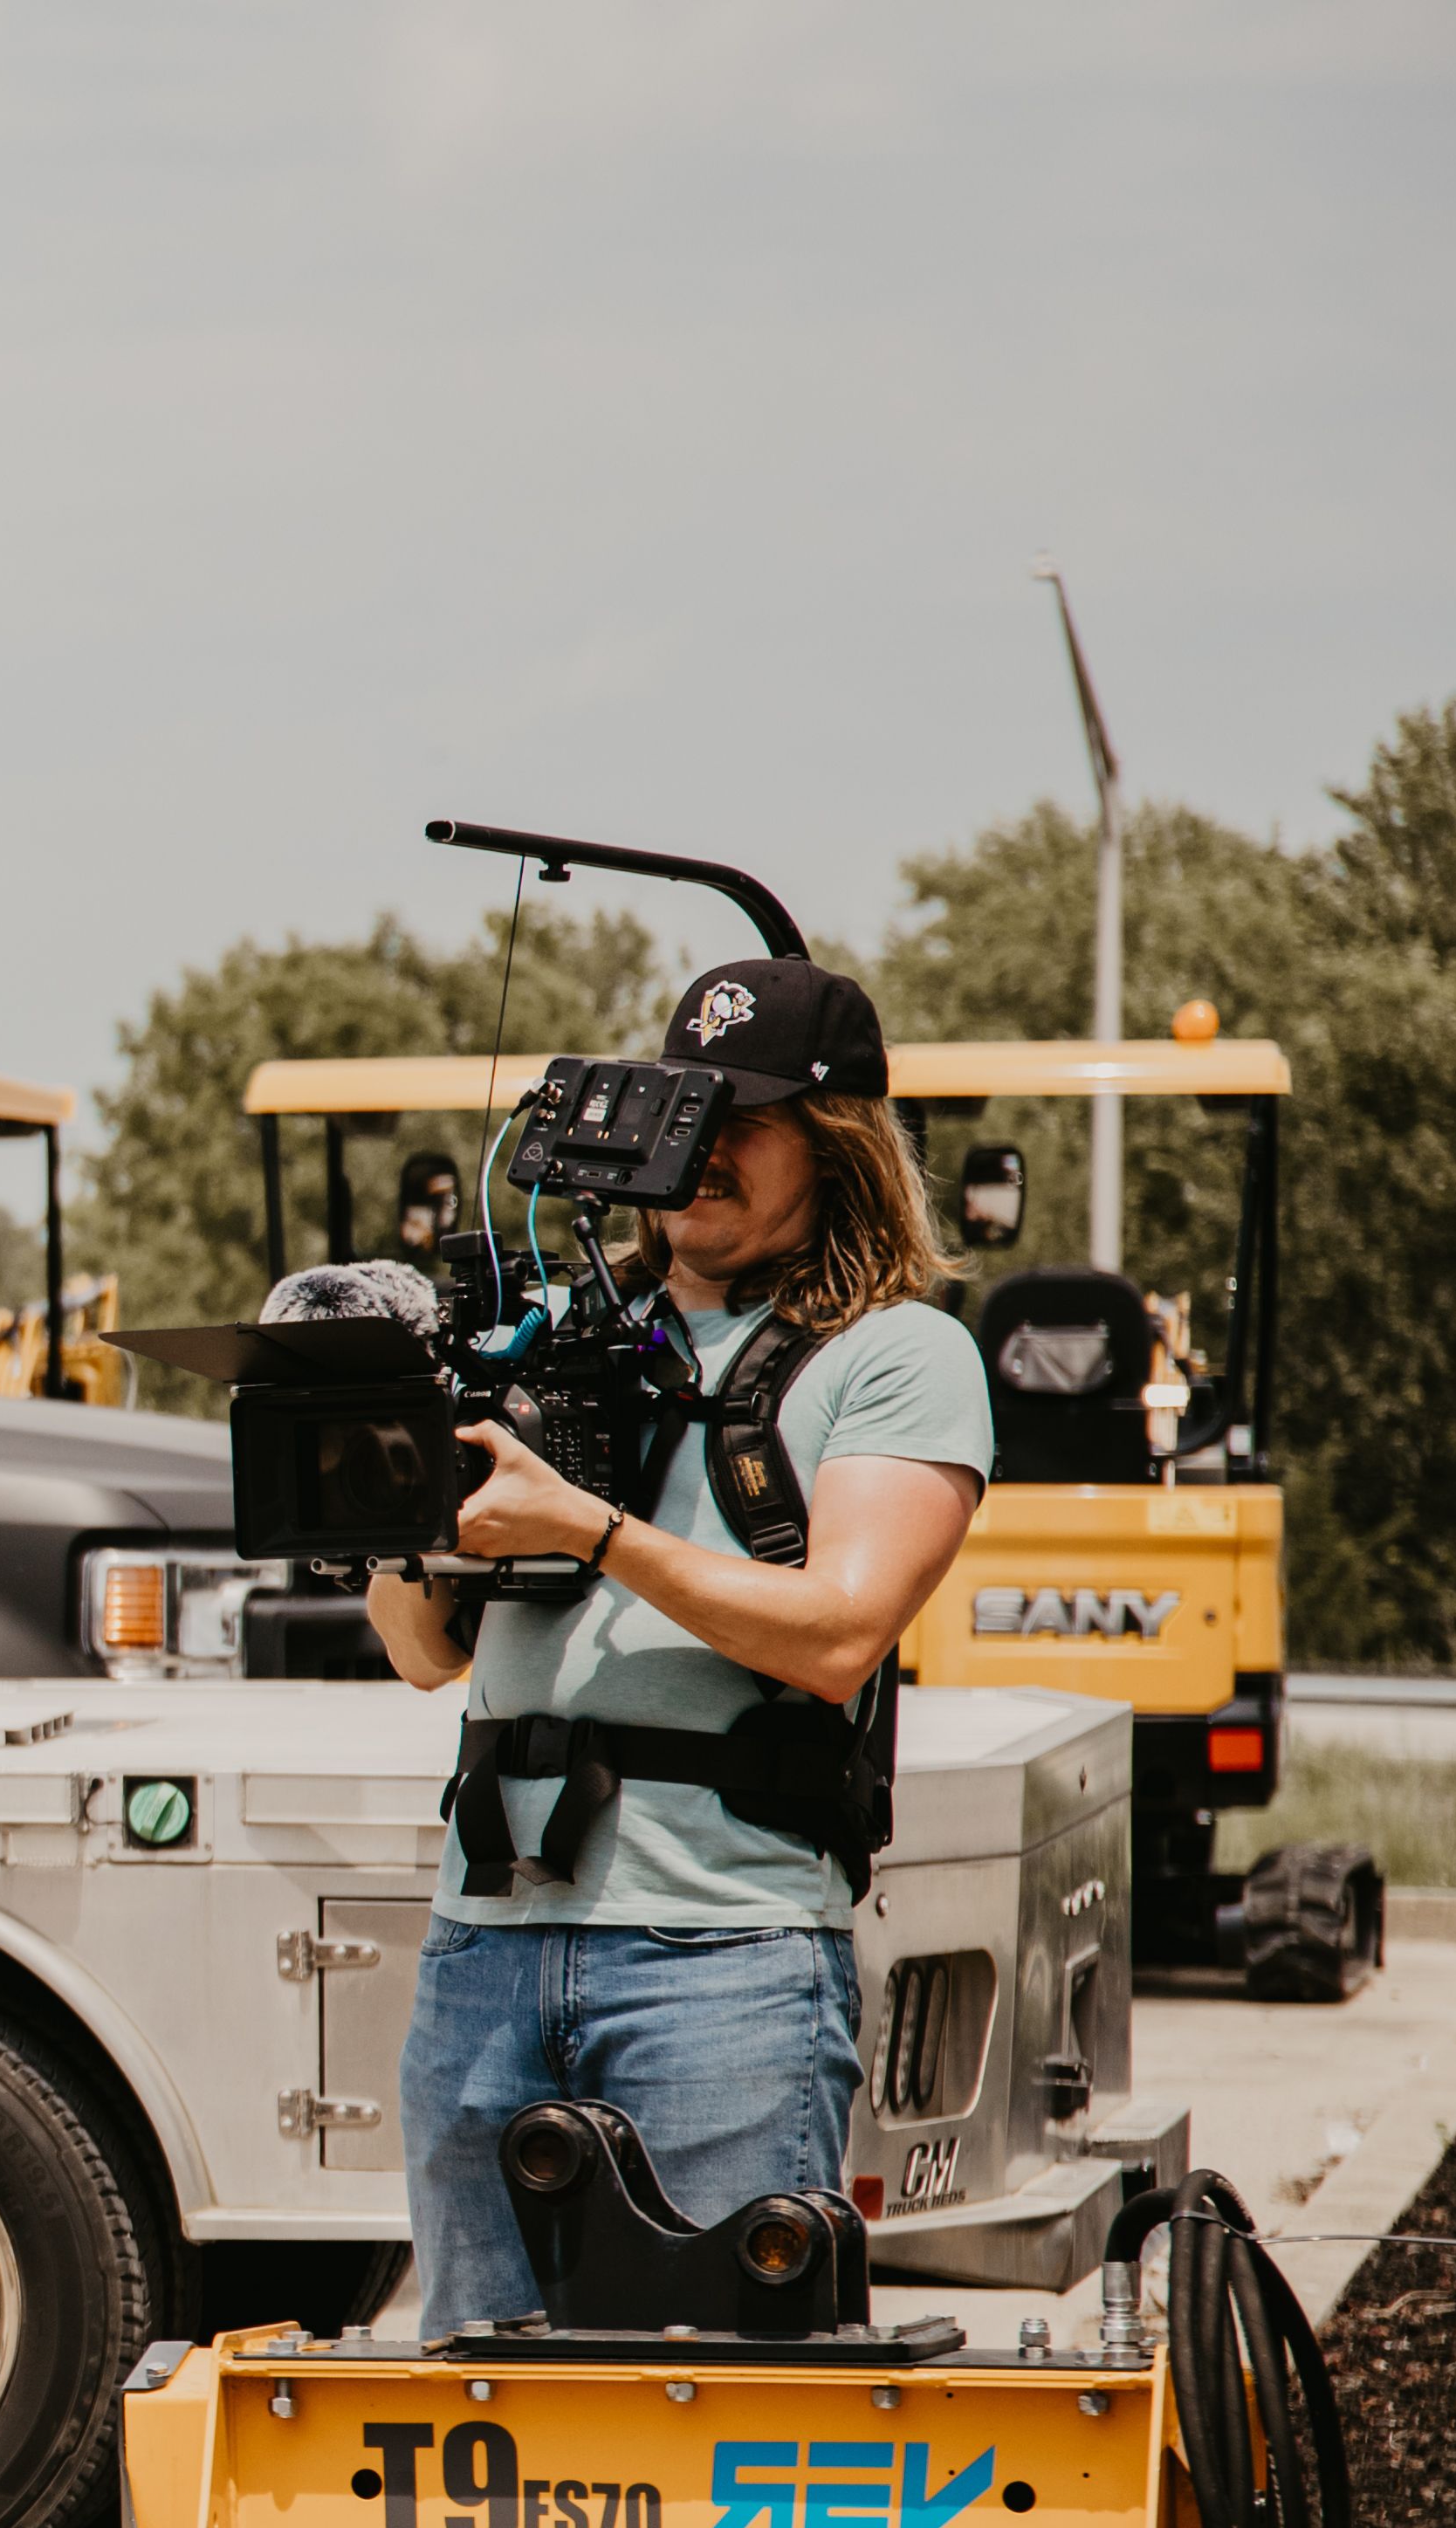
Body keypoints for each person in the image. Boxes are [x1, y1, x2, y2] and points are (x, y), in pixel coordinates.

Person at [369, 958, 993, 2332]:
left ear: (836, 1144)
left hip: (723, 1956)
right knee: (479, 2386)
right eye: (682, 1114)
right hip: (485, 1944)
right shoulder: (552, 1336)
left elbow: (839, 1635)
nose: (702, 1150)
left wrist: (588, 1529)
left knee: (724, 2399)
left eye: (744, 1122)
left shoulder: (895, 1353)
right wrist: (403, 1514)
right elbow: (422, 1655)